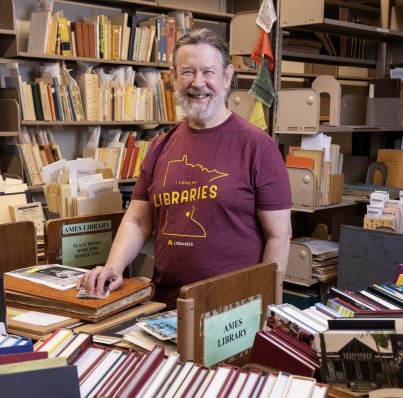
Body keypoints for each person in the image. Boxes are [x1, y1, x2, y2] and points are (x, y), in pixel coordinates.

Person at [77, 28, 292, 308]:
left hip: (232, 312)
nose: (198, 83)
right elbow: (138, 220)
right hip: (166, 305)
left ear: (227, 76)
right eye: (188, 72)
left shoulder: (258, 147)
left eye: (208, 72)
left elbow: (279, 235)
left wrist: (261, 304)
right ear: (173, 78)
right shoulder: (159, 147)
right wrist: (113, 268)